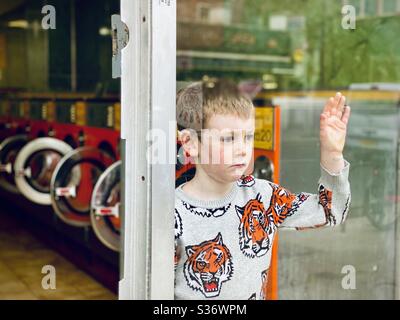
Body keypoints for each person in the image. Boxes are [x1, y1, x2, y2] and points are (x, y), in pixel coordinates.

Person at [174, 80, 351, 300]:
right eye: (228, 138)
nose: (242, 149)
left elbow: (331, 212)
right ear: (190, 143)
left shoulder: (264, 198)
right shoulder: (170, 214)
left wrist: (332, 154)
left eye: (248, 136)